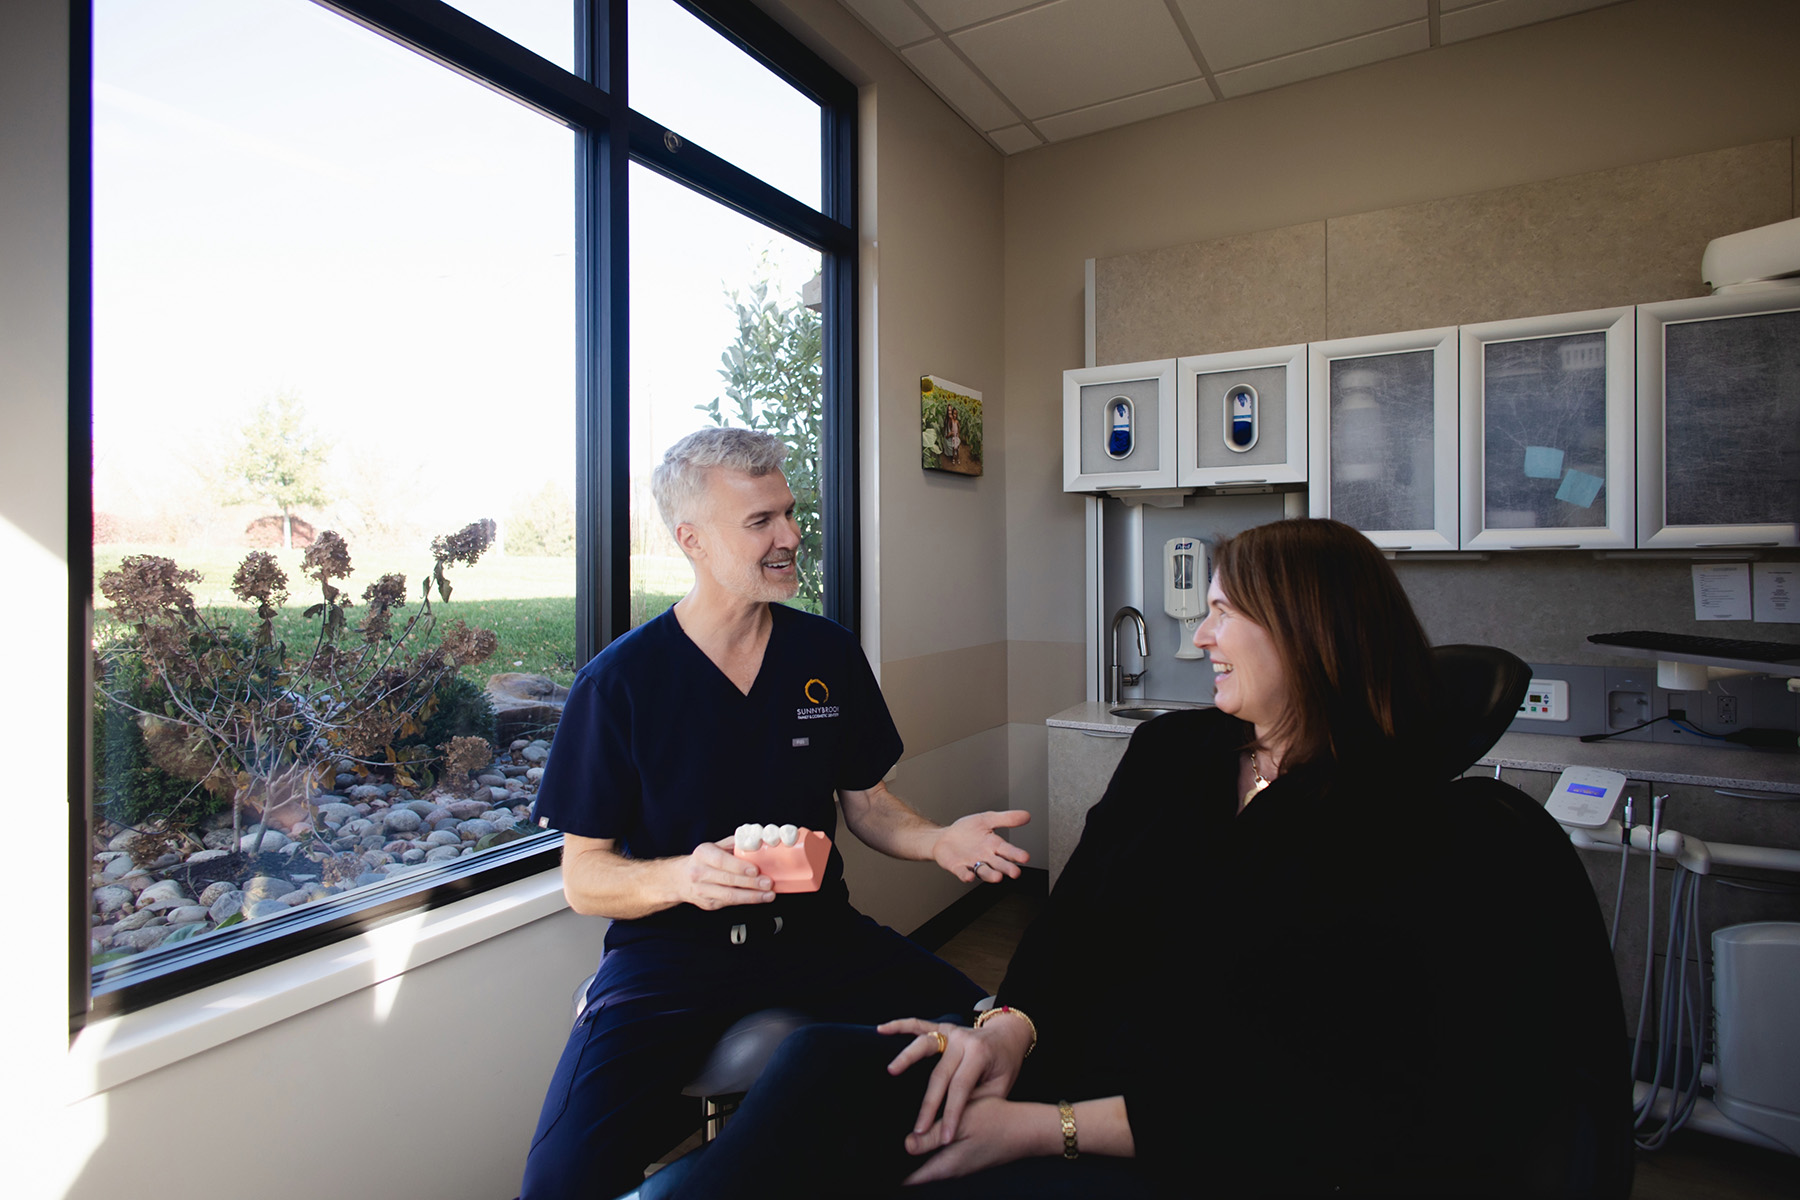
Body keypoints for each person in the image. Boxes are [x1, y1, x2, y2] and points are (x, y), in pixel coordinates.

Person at [655, 517, 1632, 1199]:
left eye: (1222, 614)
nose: (1197, 635)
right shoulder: (1176, 753)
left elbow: (1325, 1097)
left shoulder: (1415, 834)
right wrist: (1006, 1032)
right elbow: (1073, 920)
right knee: (827, 1068)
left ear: (1310, 631)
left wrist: (1046, 1130)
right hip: (1062, 1071)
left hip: (1193, 1150)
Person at [520, 427, 1033, 1200]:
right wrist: (683, 877)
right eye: (760, 522)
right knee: (561, 1180)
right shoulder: (619, 684)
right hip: (669, 960)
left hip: (821, 938)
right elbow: (584, 877)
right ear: (691, 540)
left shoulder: (825, 655)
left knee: (1002, 1039)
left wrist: (937, 841)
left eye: (788, 514)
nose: (791, 536)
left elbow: (867, 805)